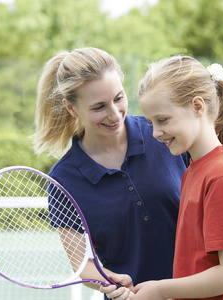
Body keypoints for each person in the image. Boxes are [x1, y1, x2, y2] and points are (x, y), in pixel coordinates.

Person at [32, 47, 190, 298]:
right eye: (99, 107)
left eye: (118, 98)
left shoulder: (163, 134)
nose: (114, 114)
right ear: (71, 108)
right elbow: (83, 265)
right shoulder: (63, 180)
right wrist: (109, 281)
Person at [104, 55, 223, 300]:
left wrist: (160, 289)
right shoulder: (193, 169)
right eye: (150, 122)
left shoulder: (222, 175)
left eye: (163, 120)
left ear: (198, 106)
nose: (156, 133)